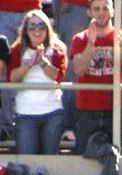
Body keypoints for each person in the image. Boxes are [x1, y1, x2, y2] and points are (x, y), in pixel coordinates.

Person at [71, 0, 122, 155]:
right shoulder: (80, 38)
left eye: (105, 8)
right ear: (89, 12)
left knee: (113, 158)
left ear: (113, 12)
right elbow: (79, 70)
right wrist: (91, 43)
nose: (101, 13)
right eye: (96, 9)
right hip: (87, 109)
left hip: (115, 108)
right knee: (84, 157)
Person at [7, 9, 67, 155]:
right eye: (32, 27)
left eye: (41, 26)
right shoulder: (17, 49)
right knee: (28, 162)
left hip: (52, 113)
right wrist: (28, 65)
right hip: (25, 113)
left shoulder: (57, 49)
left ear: (47, 29)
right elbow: (12, 78)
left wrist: (42, 62)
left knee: (49, 161)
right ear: (26, 30)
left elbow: (58, 77)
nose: (37, 31)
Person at [0, 0, 43, 139]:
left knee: (36, 68)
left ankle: (35, 124)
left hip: (32, 12)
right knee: (4, 71)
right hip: (4, 10)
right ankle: (6, 125)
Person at [55, 0, 90, 138]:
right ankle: (70, 124)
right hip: (75, 5)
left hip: (105, 6)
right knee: (72, 70)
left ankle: (78, 123)